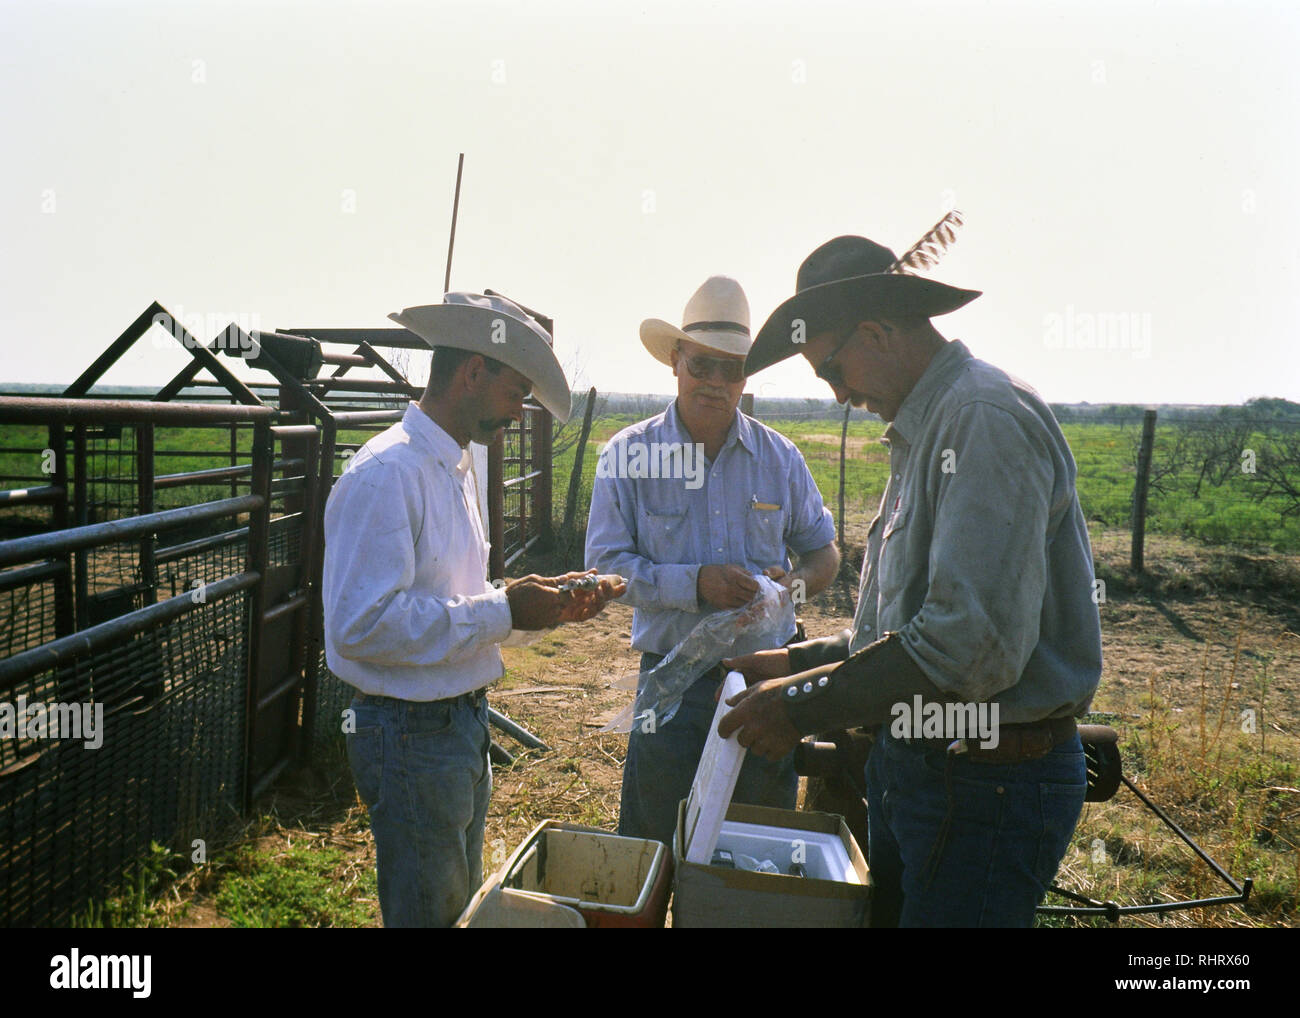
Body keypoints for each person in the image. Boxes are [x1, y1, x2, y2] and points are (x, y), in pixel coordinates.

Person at [720, 234, 1103, 927]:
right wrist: (799, 661)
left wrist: (803, 706)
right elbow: (901, 633)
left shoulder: (980, 420)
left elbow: (967, 645)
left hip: (987, 783)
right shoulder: (926, 428)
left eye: (831, 370)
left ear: (875, 332)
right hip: (928, 770)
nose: (838, 395)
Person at [322, 292, 624, 927]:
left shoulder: (456, 467)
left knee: (456, 907)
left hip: (453, 724)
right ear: (471, 373)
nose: (518, 410)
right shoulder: (386, 474)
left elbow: (454, 600)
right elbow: (359, 627)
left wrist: (539, 605)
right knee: (430, 913)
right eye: (516, 390)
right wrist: (505, 610)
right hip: (409, 732)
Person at [585, 275, 840, 848]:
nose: (716, 382)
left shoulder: (780, 457)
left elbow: (824, 552)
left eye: (732, 368)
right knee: (655, 842)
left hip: (764, 683)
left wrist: (790, 589)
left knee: (755, 843)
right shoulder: (628, 456)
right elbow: (605, 567)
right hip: (671, 680)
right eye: (703, 365)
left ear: (747, 374)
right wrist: (694, 584)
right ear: (676, 360)